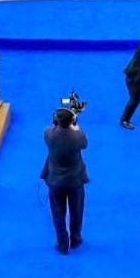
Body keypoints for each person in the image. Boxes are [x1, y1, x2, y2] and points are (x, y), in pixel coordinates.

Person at [40, 107, 88, 254]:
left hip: (55, 181)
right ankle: (76, 239)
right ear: (72, 121)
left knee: (58, 213)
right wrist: (76, 128)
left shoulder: (48, 134)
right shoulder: (78, 136)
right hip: (75, 180)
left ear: (56, 120)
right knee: (77, 210)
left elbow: (51, 129)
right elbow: (85, 144)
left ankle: (62, 244)